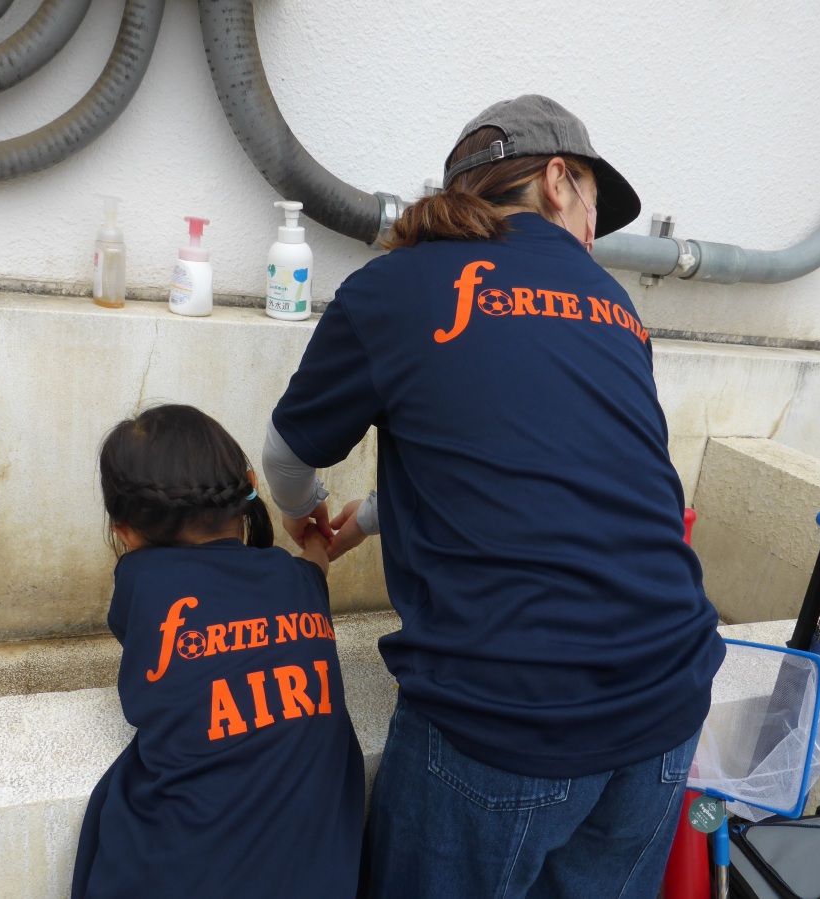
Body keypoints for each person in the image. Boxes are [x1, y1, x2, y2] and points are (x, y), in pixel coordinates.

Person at [263, 95, 725, 899]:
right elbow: (531, 470)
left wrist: (307, 515)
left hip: (509, 713)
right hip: (669, 695)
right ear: (557, 180)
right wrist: (366, 520)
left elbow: (285, 456)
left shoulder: (395, 287)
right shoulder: (615, 307)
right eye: (593, 204)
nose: (593, 231)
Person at [72, 404, 364, 899]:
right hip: (320, 872)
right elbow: (315, 564)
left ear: (124, 531)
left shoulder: (142, 583)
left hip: (172, 876)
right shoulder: (299, 580)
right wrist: (316, 538)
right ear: (247, 486)